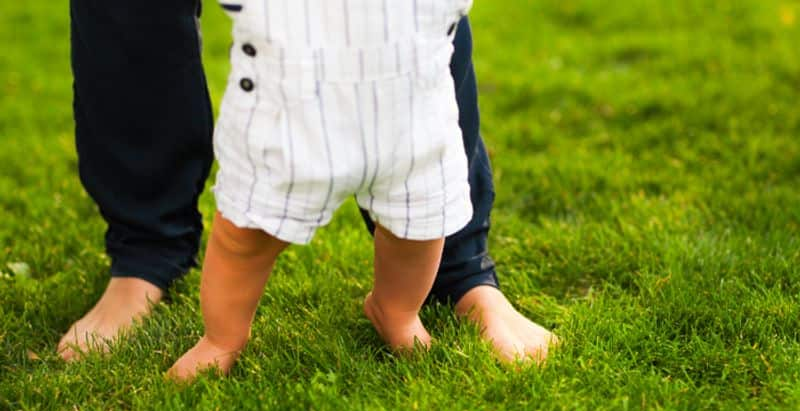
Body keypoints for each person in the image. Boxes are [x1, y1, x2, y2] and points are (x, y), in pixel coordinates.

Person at [59, 0, 556, 365]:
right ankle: (214, 328)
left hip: (412, 104)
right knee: (246, 237)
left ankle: (413, 301)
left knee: (422, 220)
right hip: (286, 104)